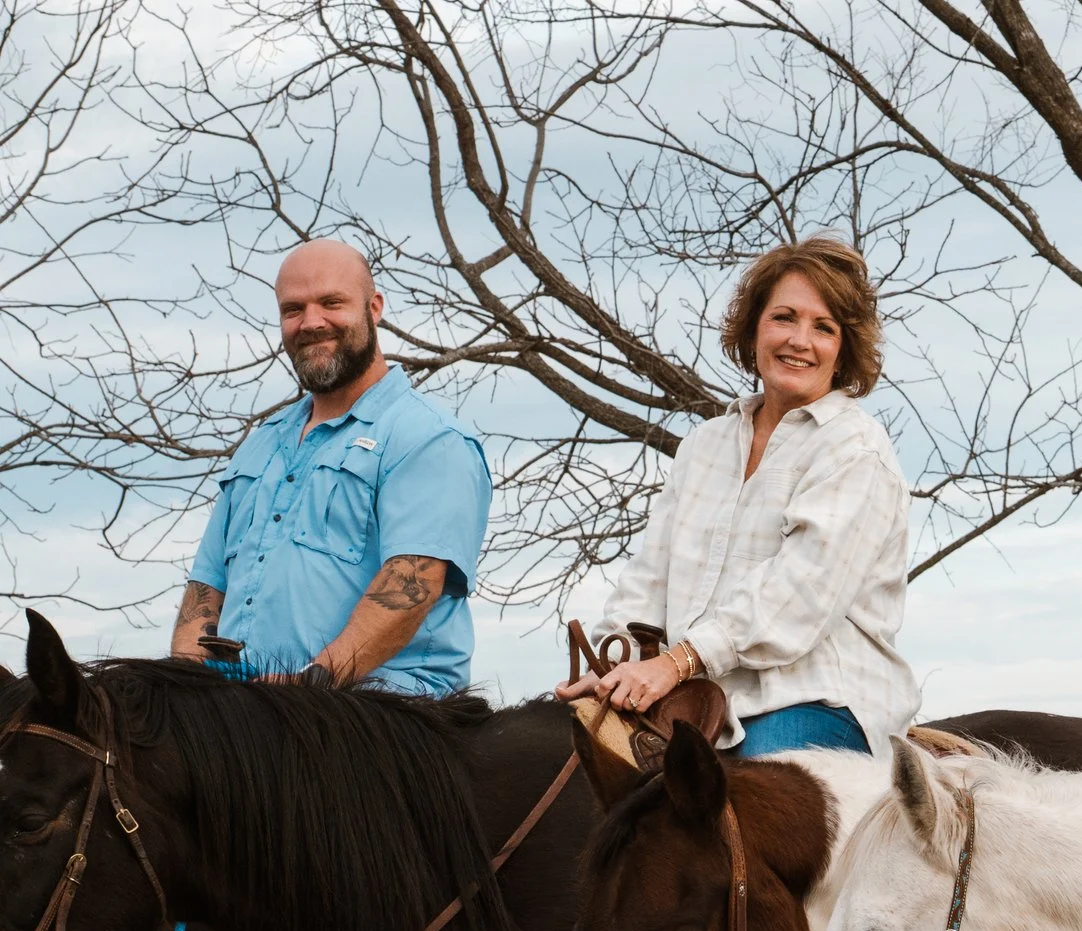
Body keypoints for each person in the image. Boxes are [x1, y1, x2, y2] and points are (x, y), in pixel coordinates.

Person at [560, 236, 917, 758]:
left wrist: (676, 663)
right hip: (694, 696)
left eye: (824, 328)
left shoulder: (855, 450)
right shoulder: (705, 444)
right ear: (753, 329)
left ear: (844, 351)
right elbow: (650, 576)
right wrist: (617, 666)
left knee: (739, 798)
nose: (800, 340)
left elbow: (798, 597)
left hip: (816, 698)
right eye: (784, 318)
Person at [175, 240, 489, 693]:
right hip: (255, 713)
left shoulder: (429, 439)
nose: (311, 322)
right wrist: (187, 694)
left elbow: (410, 588)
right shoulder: (260, 446)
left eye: (331, 302)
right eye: (293, 309)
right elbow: (204, 593)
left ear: (374, 308)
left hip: (386, 712)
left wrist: (309, 687)